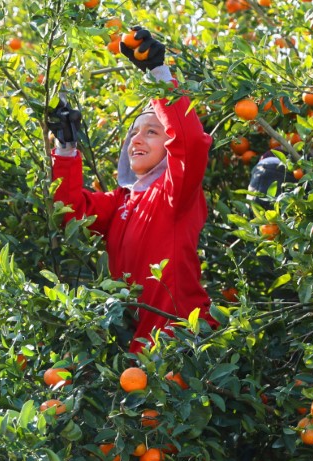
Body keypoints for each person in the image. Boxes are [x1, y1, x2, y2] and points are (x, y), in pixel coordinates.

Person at [48, 27, 217, 353]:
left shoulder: (175, 194)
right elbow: (69, 214)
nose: (137, 140)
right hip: (141, 352)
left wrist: (158, 74)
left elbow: (190, 141)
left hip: (184, 340)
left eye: (152, 132)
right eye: (134, 134)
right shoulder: (121, 202)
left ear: (168, 145)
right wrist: (66, 148)